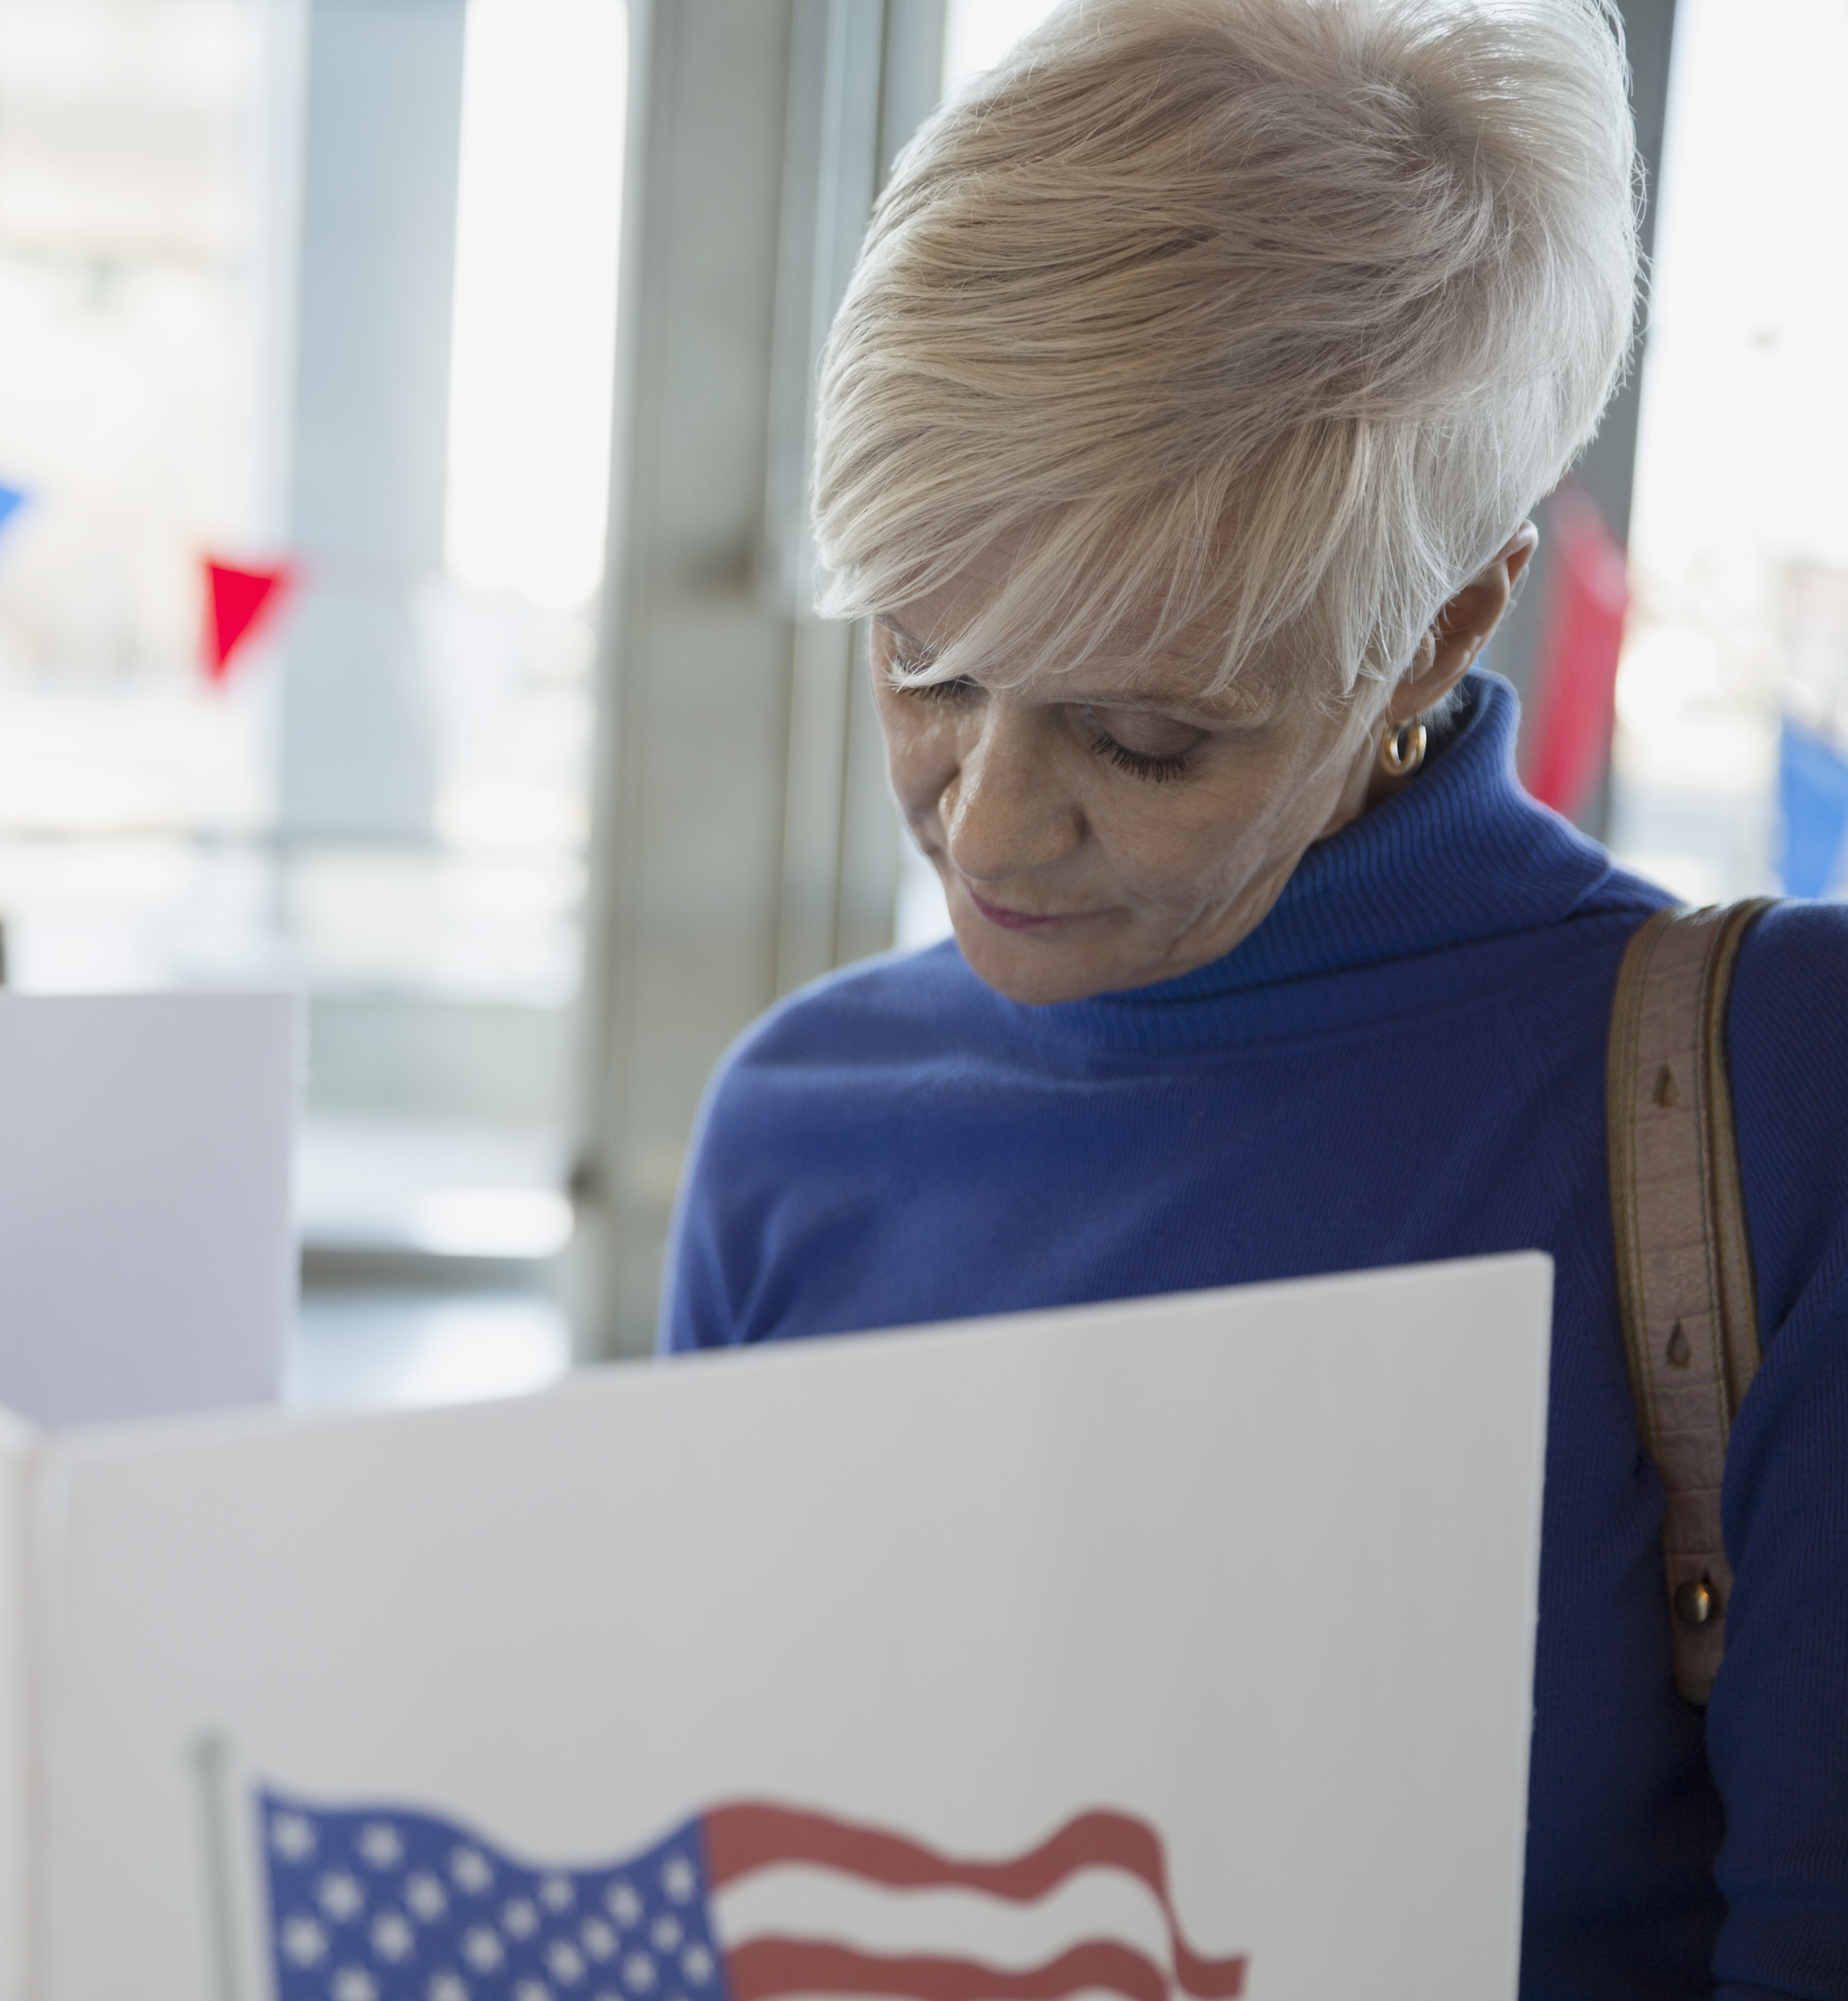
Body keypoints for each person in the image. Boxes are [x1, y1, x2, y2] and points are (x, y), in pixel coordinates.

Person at [663, 3, 1846, 1995]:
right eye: (923, 659)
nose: (996, 829)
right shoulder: (794, 1123)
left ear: (1439, 627)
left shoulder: (1761, 1104)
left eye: (1144, 736)